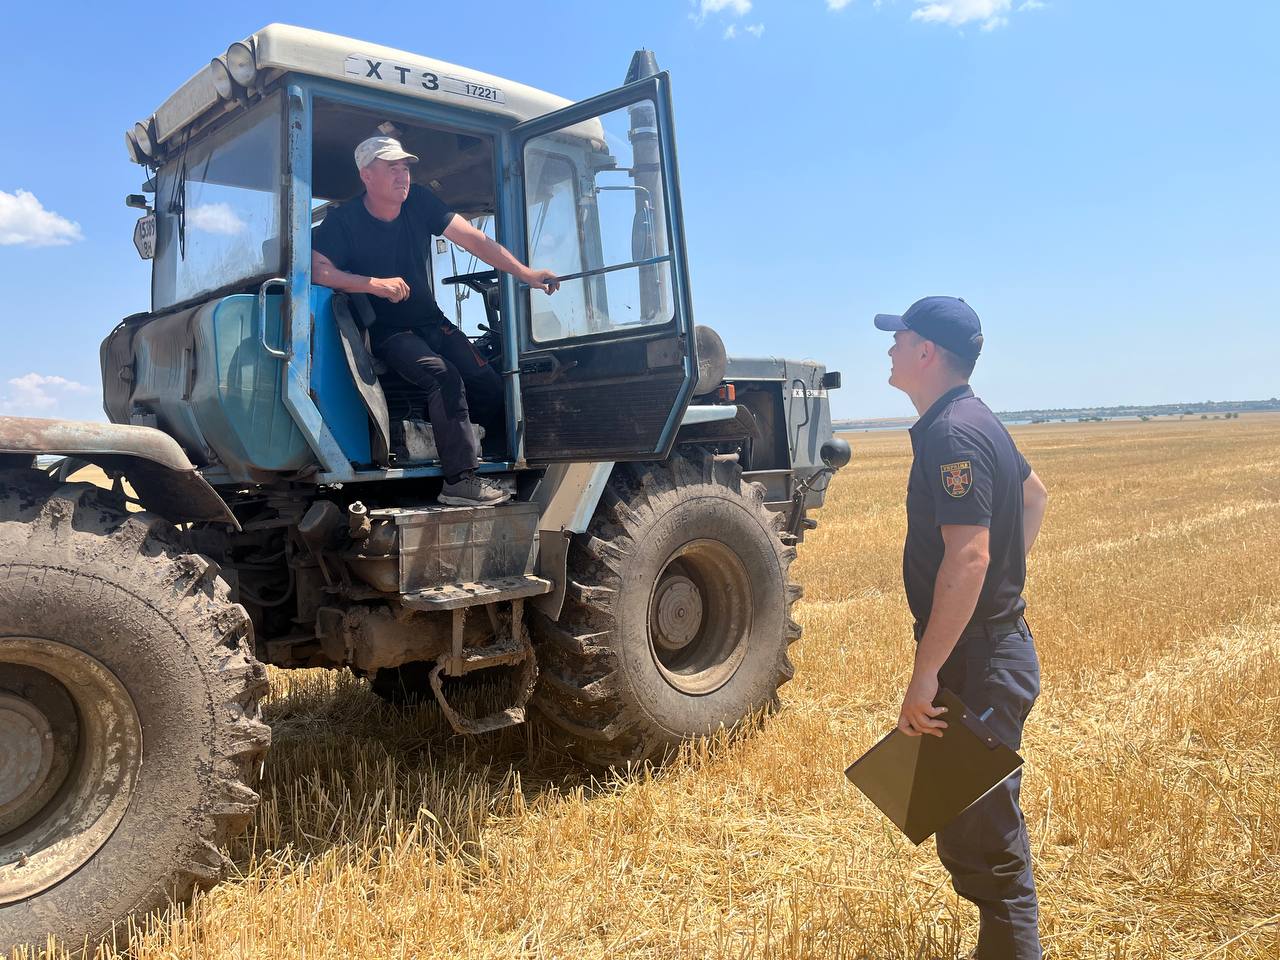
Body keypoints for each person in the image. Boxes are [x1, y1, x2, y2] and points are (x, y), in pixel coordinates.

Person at [875, 296, 1050, 960]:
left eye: (900, 338)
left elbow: (969, 555)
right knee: (964, 821)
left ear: (928, 354)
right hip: (990, 650)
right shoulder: (976, 419)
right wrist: (1001, 582)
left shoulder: (952, 432)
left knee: (987, 844)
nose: (890, 348)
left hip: (979, 662)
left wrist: (925, 673)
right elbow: (1036, 496)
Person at [311, 135, 560, 506]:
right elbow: (318, 270)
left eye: (406, 167)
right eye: (392, 168)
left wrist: (525, 273)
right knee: (444, 377)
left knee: (489, 383)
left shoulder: (420, 202)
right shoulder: (344, 222)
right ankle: (459, 482)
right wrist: (371, 285)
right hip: (389, 332)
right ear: (367, 175)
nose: (403, 176)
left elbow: (474, 240)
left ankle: (488, 456)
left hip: (432, 322)